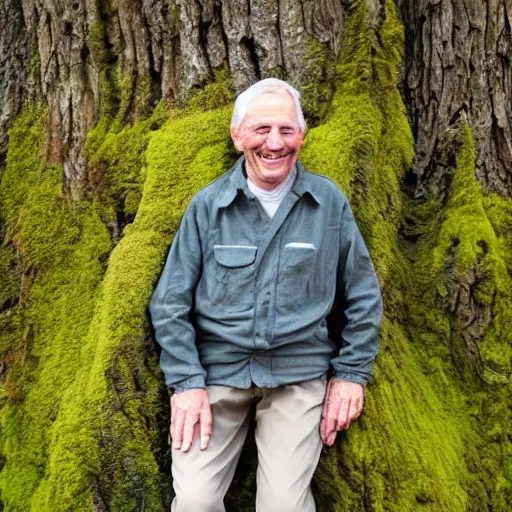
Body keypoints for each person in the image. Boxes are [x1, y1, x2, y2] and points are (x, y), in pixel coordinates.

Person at [149, 78, 382, 512]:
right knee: (195, 501)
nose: (274, 143)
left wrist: (352, 373)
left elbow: (363, 294)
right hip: (216, 374)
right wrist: (184, 382)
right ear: (237, 137)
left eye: (286, 130)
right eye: (261, 129)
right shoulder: (208, 206)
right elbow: (169, 302)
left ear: (302, 135)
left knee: (283, 508)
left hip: (298, 375)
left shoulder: (328, 202)